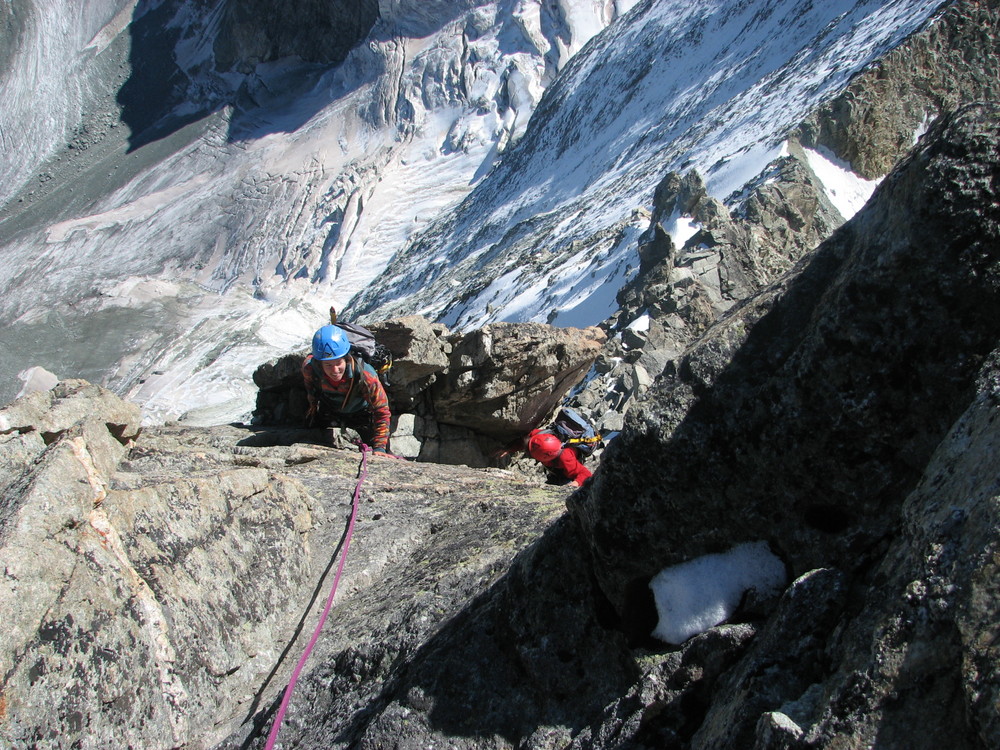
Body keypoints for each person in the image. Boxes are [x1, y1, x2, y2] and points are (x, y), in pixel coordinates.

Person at [302, 325, 392, 455]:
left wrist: (379, 448)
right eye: (328, 365)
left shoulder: (366, 376)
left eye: (338, 363)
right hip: (330, 409)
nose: (335, 370)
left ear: (346, 358)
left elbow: (381, 410)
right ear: (319, 362)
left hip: (361, 414)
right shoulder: (310, 369)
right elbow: (311, 392)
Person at [525, 429, 592, 487]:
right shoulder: (539, 436)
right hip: (554, 461)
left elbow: (585, 473)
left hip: (563, 468)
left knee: (562, 481)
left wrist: (575, 483)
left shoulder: (565, 459)